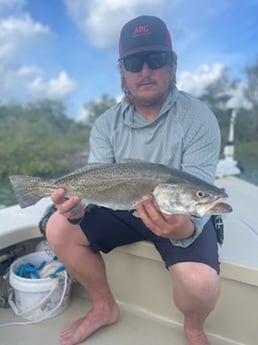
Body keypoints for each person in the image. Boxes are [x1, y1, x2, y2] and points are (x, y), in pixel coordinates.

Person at [45, 15, 222, 345]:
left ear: (172, 65)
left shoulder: (199, 119)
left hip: (178, 214)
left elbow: (197, 193)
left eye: (156, 60)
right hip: (124, 205)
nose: (145, 71)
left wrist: (182, 227)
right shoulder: (105, 125)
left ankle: (194, 327)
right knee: (58, 227)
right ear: (122, 70)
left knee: (201, 282)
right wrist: (75, 211)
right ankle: (104, 308)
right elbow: (97, 183)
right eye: (134, 62)